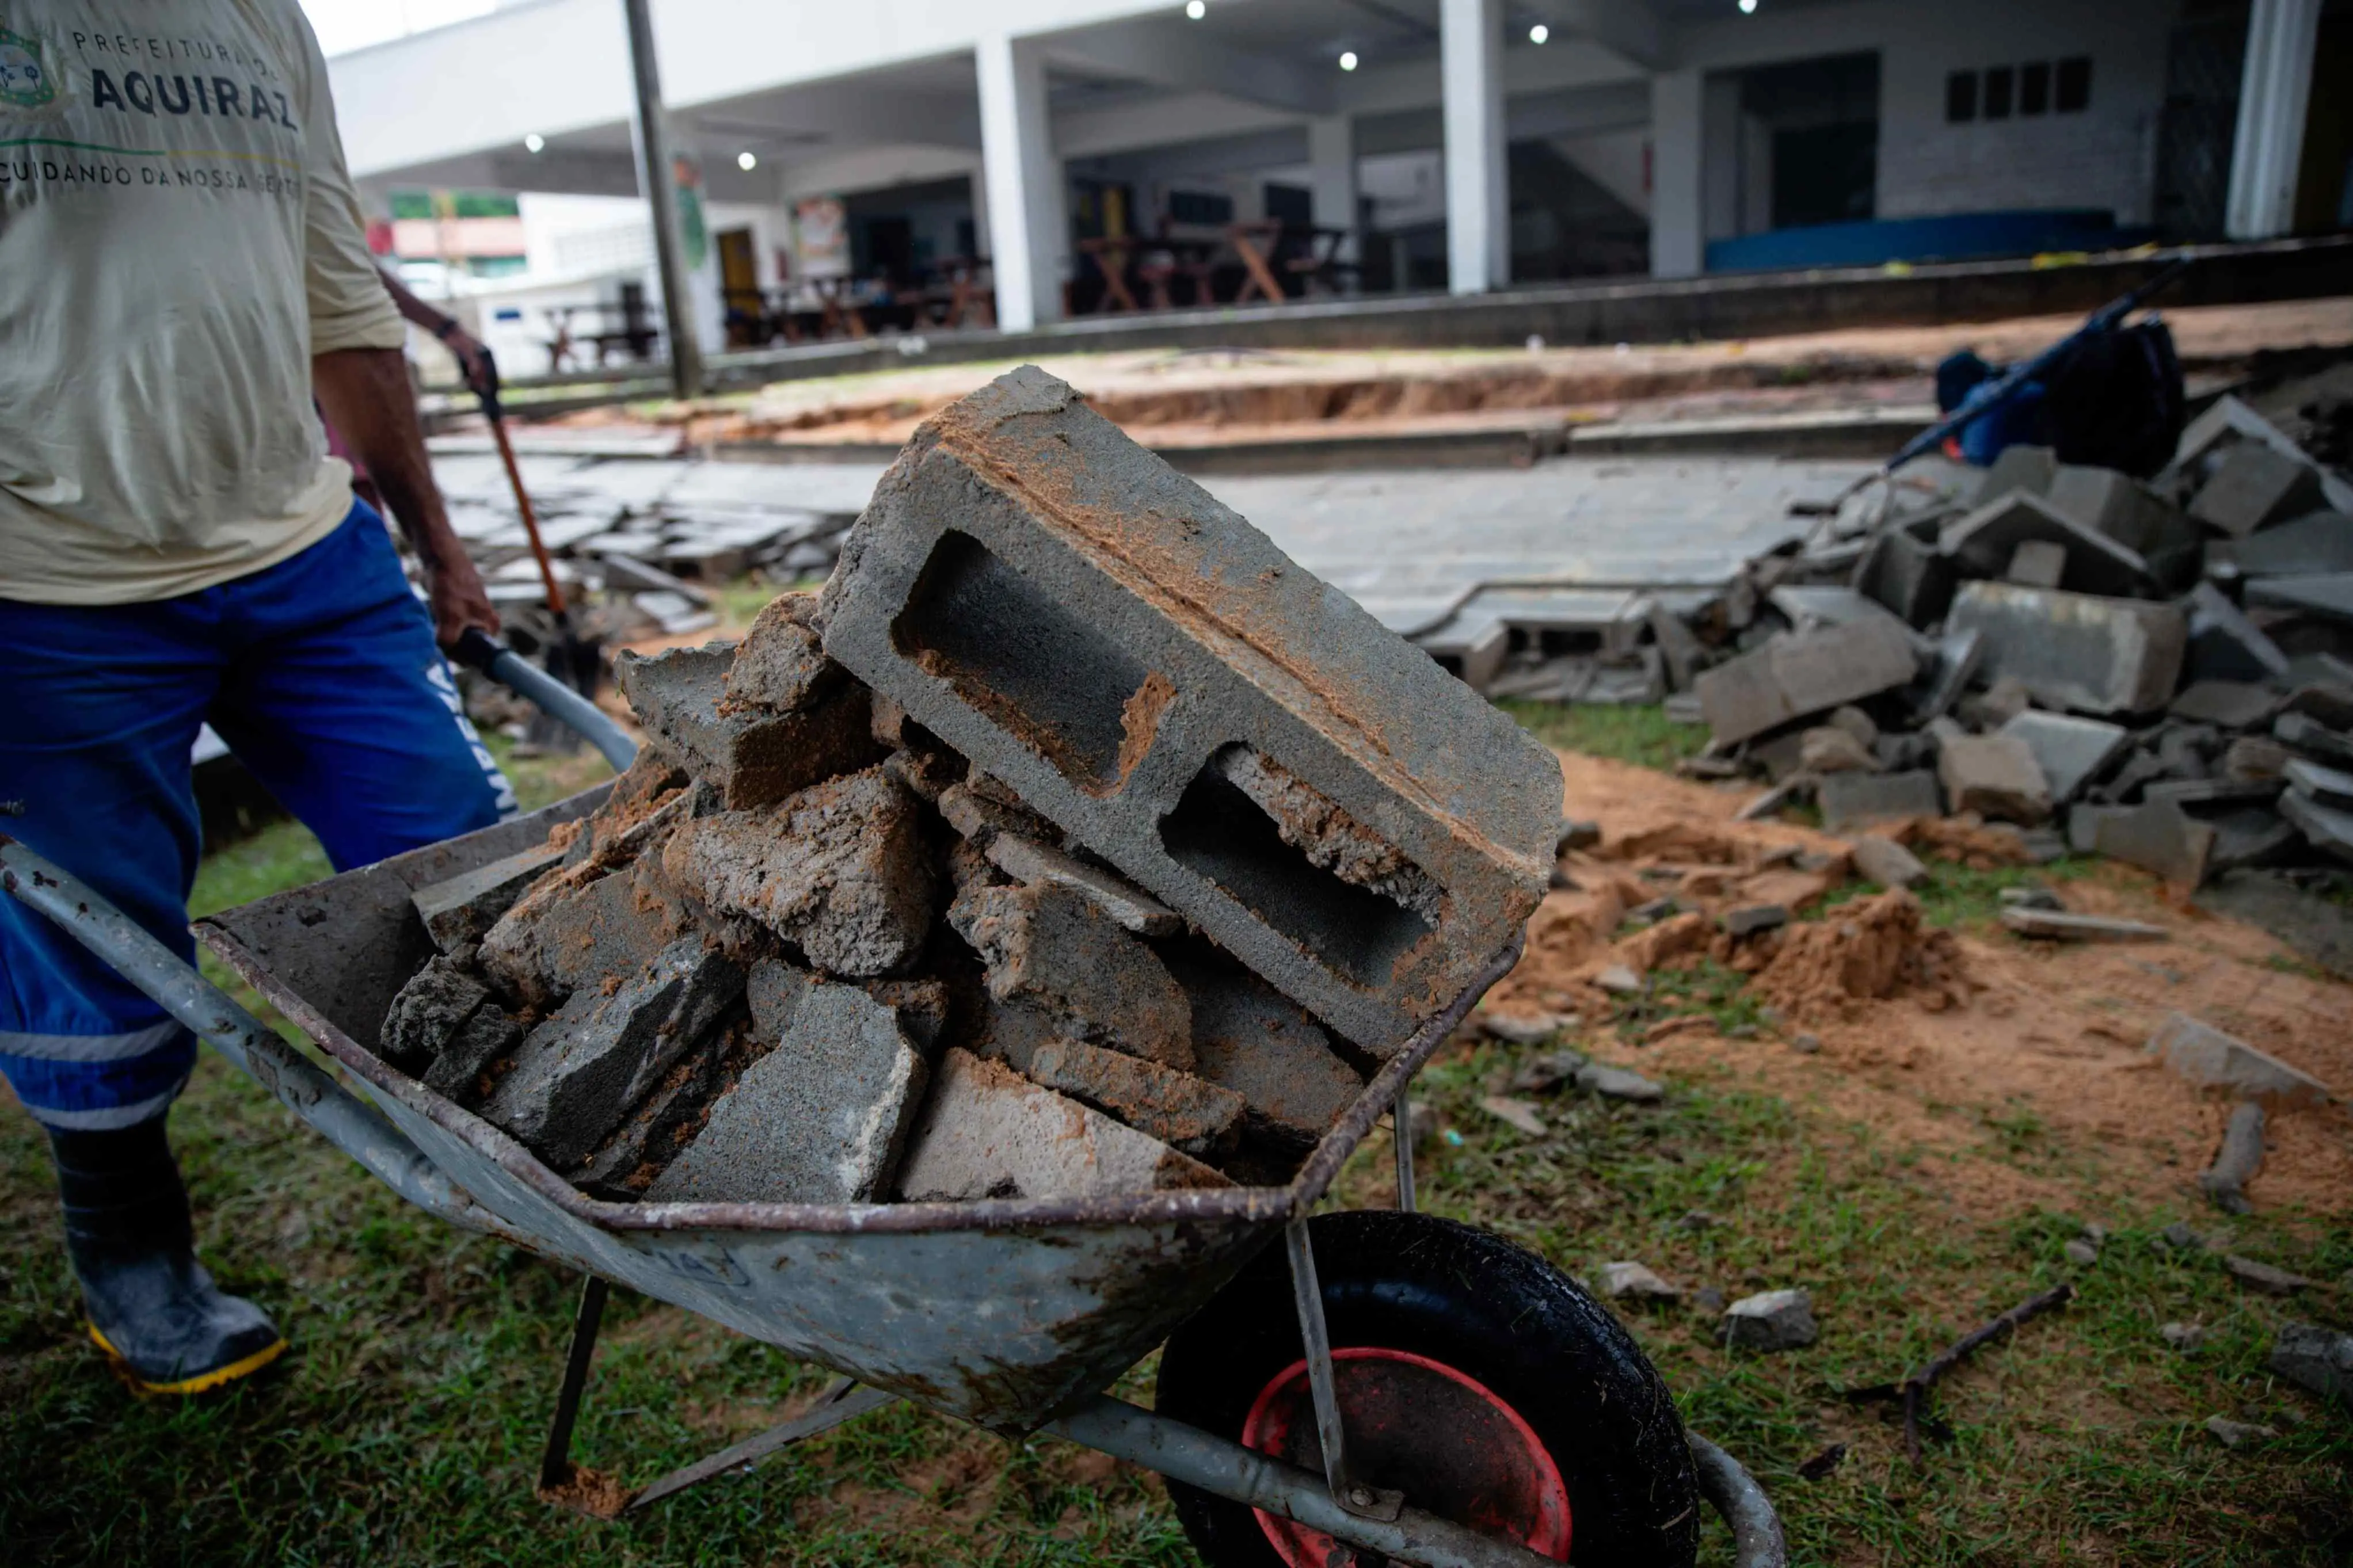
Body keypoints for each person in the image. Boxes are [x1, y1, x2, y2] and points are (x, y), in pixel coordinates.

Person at [0, 1, 515, 1394]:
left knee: (467, 863)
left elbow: (338, 297)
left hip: (304, 544)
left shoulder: (256, 19)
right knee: (100, 949)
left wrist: (437, 542)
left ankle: (537, 1149)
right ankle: (132, 1258)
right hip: (41, 580)